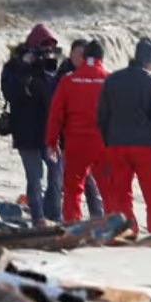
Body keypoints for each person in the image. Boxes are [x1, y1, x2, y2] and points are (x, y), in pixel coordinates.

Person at [97, 38, 151, 234]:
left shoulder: (112, 79)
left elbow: (102, 115)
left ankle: (128, 231)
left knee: (121, 195)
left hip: (117, 146)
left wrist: (108, 142)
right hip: (145, 147)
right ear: (150, 60)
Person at [1, 24, 62, 223]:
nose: (47, 52)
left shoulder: (51, 66)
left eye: (51, 48)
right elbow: (10, 93)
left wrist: (47, 70)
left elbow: (54, 97)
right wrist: (24, 66)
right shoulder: (14, 66)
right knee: (35, 179)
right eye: (43, 47)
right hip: (26, 132)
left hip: (49, 131)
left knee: (56, 175)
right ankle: (38, 217)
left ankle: (55, 216)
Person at [46, 40, 110, 224]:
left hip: (75, 143)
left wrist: (52, 142)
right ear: (101, 58)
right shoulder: (109, 80)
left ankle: (72, 225)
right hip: (102, 144)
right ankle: (110, 225)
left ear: (84, 57)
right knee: (108, 189)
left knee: (73, 189)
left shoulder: (68, 80)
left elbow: (55, 114)